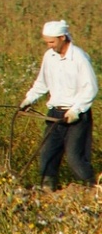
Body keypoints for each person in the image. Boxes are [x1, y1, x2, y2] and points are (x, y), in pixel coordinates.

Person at [19, 19, 98, 191]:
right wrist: (29, 99)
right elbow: (42, 83)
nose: (49, 45)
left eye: (52, 42)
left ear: (63, 37)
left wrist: (75, 110)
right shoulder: (49, 57)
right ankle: (48, 190)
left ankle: (92, 189)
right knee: (48, 154)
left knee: (74, 157)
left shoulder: (79, 58)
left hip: (76, 116)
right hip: (54, 113)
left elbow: (91, 88)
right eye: (47, 42)